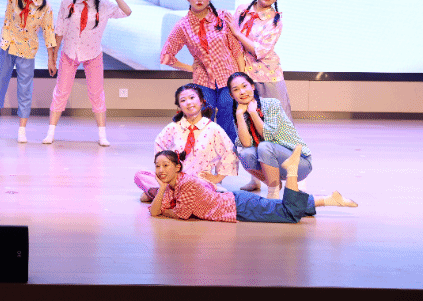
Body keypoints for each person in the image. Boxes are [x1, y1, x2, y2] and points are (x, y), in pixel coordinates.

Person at [148, 147, 356, 223]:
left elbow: (181, 214)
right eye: (157, 166)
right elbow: (155, 211)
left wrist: (165, 208)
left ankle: (291, 170)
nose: (161, 170)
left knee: (288, 214)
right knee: (279, 208)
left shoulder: (187, 183)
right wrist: (163, 190)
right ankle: (329, 200)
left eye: (166, 165)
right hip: (237, 204)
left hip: (238, 207)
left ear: (178, 167)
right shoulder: (173, 186)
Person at [45, 0, 131, 146]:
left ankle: (102, 136)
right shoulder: (68, 0)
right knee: (61, 92)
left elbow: (127, 11)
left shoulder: (104, 5)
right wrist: (52, 57)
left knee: (96, 93)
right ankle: (50, 133)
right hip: (69, 52)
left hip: (93, 54)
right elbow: (59, 29)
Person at [160, 0, 244, 142]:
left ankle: (228, 149)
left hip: (229, 76)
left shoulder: (222, 17)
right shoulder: (182, 26)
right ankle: (206, 149)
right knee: (205, 115)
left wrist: (241, 78)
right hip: (203, 80)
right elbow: (166, 56)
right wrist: (190, 68)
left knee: (227, 111)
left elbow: (237, 50)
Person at [0, 0, 57, 144]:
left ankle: (22, 129)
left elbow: (49, 34)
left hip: (27, 50)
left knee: (25, 90)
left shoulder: (45, 6)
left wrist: (51, 59)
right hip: (7, 44)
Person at [133, 84, 238, 202]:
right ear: (179, 106)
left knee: (202, 191)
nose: (188, 102)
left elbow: (230, 152)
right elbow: (159, 145)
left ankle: (164, 196)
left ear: (201, 101)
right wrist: (165, 170)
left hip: (200, 183)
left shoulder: (213, 129)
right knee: (140, 175)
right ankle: (173, 196)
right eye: (183, 100)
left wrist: (217, 178)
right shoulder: (173, 127)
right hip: (174, 181)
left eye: (192, 98)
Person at [229, 71, 312, 199]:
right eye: (236, 89)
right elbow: (246, 144)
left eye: (245, 86)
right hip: (271, 162)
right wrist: (239, 115)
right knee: (243, 152)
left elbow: (268, 136)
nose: (242, 92)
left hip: (299, 163)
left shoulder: (271, 104)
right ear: (231, 95)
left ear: (253, 86)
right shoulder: (239, 113)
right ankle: (274, 185)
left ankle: (274, 194)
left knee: (264, 146)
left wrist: (253, 113)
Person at [228, 0, 291, 116]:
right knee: (247, 117)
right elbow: (231, 39)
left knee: (275, 116)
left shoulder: (275, 21)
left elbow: (259, 51)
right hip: (242, 73)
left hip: (267, 74)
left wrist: (237, 33)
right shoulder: (242, 9)